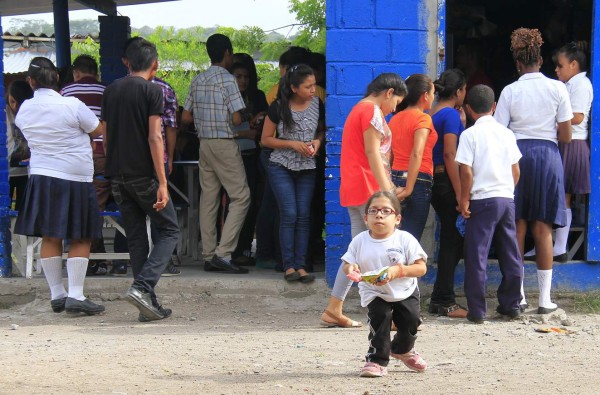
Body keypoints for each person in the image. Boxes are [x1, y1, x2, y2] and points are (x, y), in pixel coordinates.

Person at [14, 57, 105, 315]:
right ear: (57, 79)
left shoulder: (25, 110)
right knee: (81, 234)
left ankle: (57, 294)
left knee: (50, 234)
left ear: (31, 82)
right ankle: (76, 294)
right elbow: (97, 129)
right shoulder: (72, 105)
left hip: (42, 176)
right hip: (75, 176)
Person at [494, 28, 572, 314]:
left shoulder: (510, 91)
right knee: (543, 227)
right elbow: (565, 136)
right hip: (548, 156)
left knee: (517, 226)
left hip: (516, 156)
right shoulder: (557, 88)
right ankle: (544, 300)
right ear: (541, 60)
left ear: (517, 63)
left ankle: (520, 296)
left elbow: (499, 132)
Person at [101, 38, 180, 321]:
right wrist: (162, 181)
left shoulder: (110, 90)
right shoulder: (152, 91)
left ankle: (148, 305)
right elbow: (155, 136)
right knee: (170, 230)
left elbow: (106, 138)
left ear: (128, 62)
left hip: (117, 175)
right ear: (155, 65)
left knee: (136, 239)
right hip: (143, 175)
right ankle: (142, 286)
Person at [320, 73, 406, 328]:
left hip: (355, 188)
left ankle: (334, 308)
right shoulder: (371, 111)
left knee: (356, 252)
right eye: (396, 102)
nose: (394, 109)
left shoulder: (359, 109)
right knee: (383, 247)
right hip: (369, 189)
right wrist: (386, 190)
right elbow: (372, 153)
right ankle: (388, 313)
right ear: (389, 92)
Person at [181, 33, 250, 274]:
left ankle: (209, 254)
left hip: (204, 144)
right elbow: (237, 117)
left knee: (209, 198)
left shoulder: (198, 80)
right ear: (227, 53)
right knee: (241, 197)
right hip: (223, 142)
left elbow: (186, 117)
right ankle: (224, 253)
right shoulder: (228, 80)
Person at [456, 84, 523, 323]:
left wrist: (464, 199)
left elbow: (466, 171)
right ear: (494, 107)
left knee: (477, 255)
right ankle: (511, 305)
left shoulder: (469, 135)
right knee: (510, 253)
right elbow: (516, 170)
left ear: (469, 109)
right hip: (506, 199)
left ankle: (477, 311)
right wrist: (506, 190)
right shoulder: (506, 134)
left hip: (482, 200)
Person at [342, 191, 427, 377]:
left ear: (397, 218)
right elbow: (348, 264)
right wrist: (351, 269)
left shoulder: (405, 239)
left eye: (385, 211)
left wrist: (399, 271)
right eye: (373, 211)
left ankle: (402, 349)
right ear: (365, 218)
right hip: (374, 291)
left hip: (404, 289)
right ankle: (376, 360)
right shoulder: (360, 241)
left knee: (412, 321)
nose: (379, 215)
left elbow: (421, 268)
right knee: (380, 319)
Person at [524, 42, 592, 262]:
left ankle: (559, 247)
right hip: (565, 142)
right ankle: (547, 245)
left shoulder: (581, 85)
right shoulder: (569, 84)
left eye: (560, 66)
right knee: (555, 195)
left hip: (572, 143)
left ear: (574, 65)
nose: (556, 70)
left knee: (564, 195)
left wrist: (550, 119)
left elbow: (578, 116)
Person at [261, 64, 324, 283]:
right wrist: (291, 144)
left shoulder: (318, 104)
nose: (313, 90)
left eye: (314, 85)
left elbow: (322, 130)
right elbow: (265, 139)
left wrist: (317, 142)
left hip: (307, 167)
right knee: (289, 213)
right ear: (294, 88)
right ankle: (288, 265)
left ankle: (302, 265)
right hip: (281, 166)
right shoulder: (278, 107)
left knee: (304, 216)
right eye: (308, 86)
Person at [60, 54, 110, 277]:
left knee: (84, 206)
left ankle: (91, 257)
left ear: (76, 73)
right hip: (104, 156)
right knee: (98, 205)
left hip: (74, 158)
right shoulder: (107, 90)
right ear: (96, 73)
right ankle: (98, 256)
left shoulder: (66, 92)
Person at [428, 69, 468, 318]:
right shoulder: (451, 116)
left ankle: (440, 298)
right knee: (452, 241)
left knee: (449, 238)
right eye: (464, 90)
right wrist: (461, 191)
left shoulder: (431, 114)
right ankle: (444, 299)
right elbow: (450, 154)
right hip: (446, 180)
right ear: (458, 92)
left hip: (433, 179)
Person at [389, 74, 438, 240]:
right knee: (410, 239)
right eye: (433, 93)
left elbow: (390, 155)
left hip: (395, 178)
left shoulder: (394, 119)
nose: (433, 97)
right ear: (425, 95)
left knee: (395, 235)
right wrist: (409, 188)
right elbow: (417, 152)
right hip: (417, 180)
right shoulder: (423, 118)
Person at [229, 60, 268, 265]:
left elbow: (260, 132)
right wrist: (243, 133)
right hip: (229, 157)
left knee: (251, 202)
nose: (242, 80)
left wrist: (238, 133)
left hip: (251, 155)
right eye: (238, 76)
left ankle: (244, 248)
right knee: (231, 204)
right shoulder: (225, 96)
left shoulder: (258, 97)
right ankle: (230, 249)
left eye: (245, 76)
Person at [5, 80, 33, 212]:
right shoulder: (4, 112)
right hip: (7, 173)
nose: (15, 106)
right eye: (12, 101)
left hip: (26, 172)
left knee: (25, 213)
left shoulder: (32, 112)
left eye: (19, 102)